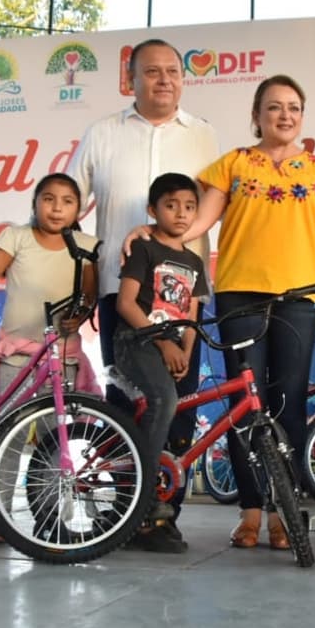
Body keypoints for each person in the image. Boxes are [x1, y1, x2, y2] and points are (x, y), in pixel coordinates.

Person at [184, 74, 315, 549]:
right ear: (257, 115)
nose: (285, 115)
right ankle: (251, 512)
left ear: (303, 116)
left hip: (299, 299)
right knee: (244, 406)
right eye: (274, 106)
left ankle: (284, 514)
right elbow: (197, 223)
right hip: (239, 296)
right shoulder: (232, 164)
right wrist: (152, 237)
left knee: (288, 404)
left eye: (294, 107)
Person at [67, 38, 219, 516]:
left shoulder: (204, 136)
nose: (164, 80)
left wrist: (163, 233)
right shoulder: (102, 133)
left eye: (173, 71)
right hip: (123, 294)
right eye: (152, 72)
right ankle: (123, 509)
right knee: (124, 398)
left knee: (181, 400)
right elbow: (69, 204)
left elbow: (214, 207)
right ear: (130, 79)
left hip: (182, 296)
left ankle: (165, 513)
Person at [0, 172, 101, 544]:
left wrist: (81, 315)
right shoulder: (16, 237)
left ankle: (50, 519)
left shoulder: (86, 246)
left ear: (78, 209)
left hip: (63, 359)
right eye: (48, 199)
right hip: (18, 357)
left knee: (56, 441)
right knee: (7, 435)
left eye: (67, 202)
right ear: (35, 203)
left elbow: (89, 296)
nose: (57, 208)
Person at [113, 173, 209, 554]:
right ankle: (144, 498)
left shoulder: (194, 261)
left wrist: (185, 349)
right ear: (152, 210)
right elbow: (125, 304)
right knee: (163, 400)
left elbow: (192, 314)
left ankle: (155, 503)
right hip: (135, 341)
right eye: (171, 206)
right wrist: (164, 343)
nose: (181, 213)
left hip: (171, 346)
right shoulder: (144, 248)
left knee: (176, 415)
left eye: (189, 207)